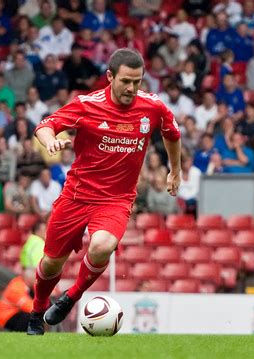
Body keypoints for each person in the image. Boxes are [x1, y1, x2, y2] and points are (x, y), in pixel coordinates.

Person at [27, 48, 181, 335]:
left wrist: (176, 170)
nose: (131, 88)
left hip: (116, 200)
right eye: (125, 81)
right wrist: (50, 141)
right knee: (50, 264)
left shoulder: (153, 107)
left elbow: (172, 134)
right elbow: (46, 125)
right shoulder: (87, 104)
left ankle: (71, 296)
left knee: (102, 246)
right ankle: (36, 312)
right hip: (76, 196)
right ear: (110, 77)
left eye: (137, 81)